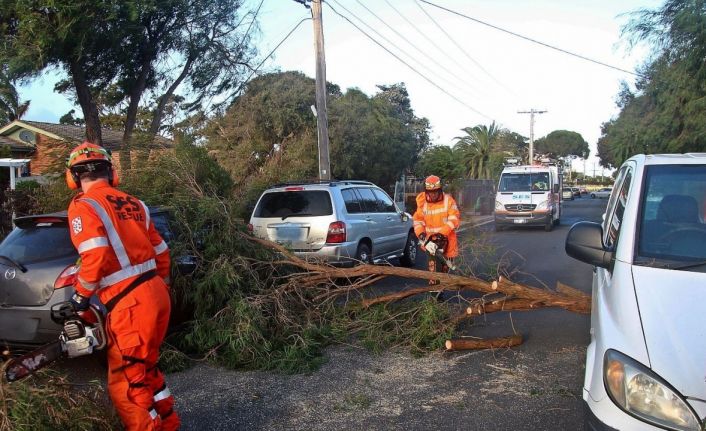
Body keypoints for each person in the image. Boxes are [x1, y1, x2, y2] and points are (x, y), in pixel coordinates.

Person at [65, 142, 179, 430]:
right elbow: (162, 251)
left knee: (127, 383)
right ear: (111, 173)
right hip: (155, 293)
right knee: (146, 369)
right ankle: (168, 423)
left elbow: (96, 253)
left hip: (130, 304)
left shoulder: (84, 206)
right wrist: (160, 288)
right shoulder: (135, 204)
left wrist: (80, 297)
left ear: (74, 177)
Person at [412, 175, 461, 292]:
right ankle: (434, 296)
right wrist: (420, 234)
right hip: (430, 244)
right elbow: (418, 221)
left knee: (444, 272)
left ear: (439, 190)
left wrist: (442, 234)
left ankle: (440, 292)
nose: (433, 194)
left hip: (447, 242)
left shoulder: (448, 201)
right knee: (434, 272)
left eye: (435, 192)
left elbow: (454, 219)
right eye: (430, 192)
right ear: (426, 191)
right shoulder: (422, 203)